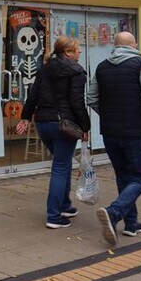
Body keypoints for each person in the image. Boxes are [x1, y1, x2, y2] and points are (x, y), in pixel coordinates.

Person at [87, 31, 141, 246]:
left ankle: (132, 224)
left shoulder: (102, 67)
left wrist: (108, 115)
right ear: (134, 44)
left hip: (110, 132)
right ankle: (114, 212)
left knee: (123, 177)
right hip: (135, 131)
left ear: (115, 46)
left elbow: (91, 98)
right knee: (140, 177)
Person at [15, 36, 90, 230]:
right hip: (64, 125)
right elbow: (77, 103)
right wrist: (85, 127)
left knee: (62, 164)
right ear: (67, 52)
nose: (80, 52)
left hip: (43, 124)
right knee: (60, 167)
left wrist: (25, 117)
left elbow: (33, 96)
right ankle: (54, 216)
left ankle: (65, 206)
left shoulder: (44, 69)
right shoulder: (77, 72)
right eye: (77, 49)